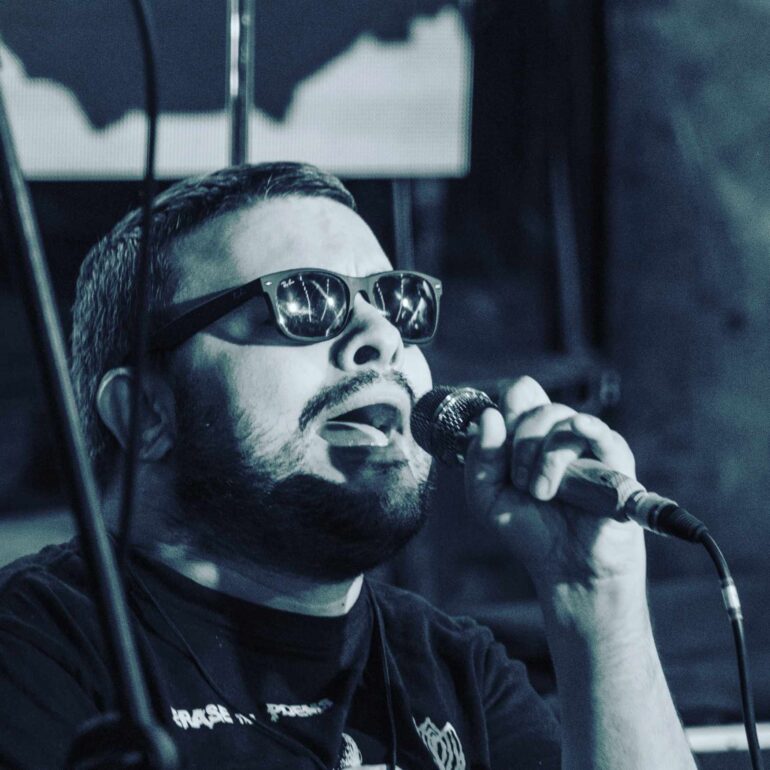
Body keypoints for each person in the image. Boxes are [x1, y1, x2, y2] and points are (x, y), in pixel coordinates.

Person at [0, 162, 695, 769]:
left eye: (398, 303)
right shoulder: (33, 648)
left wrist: (596, 600)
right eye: (305, 299)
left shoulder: (456, 670)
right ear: (146, 414)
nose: (382, 336)